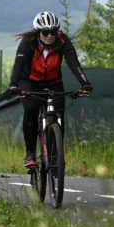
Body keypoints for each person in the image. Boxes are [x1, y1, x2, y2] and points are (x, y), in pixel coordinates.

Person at [9, 11, 92, 168]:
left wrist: (85, 83)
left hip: (54, 82)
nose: (49, 36)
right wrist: (14, 84)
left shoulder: (62, 40)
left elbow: (74, 63)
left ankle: (56, 154)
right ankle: (30, 153)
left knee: (58, 114)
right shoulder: (28, 42)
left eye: (53, 32)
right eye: (46, 32)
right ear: (39, 32)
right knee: (31, 110)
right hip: (30, 82)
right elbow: (18, 65)